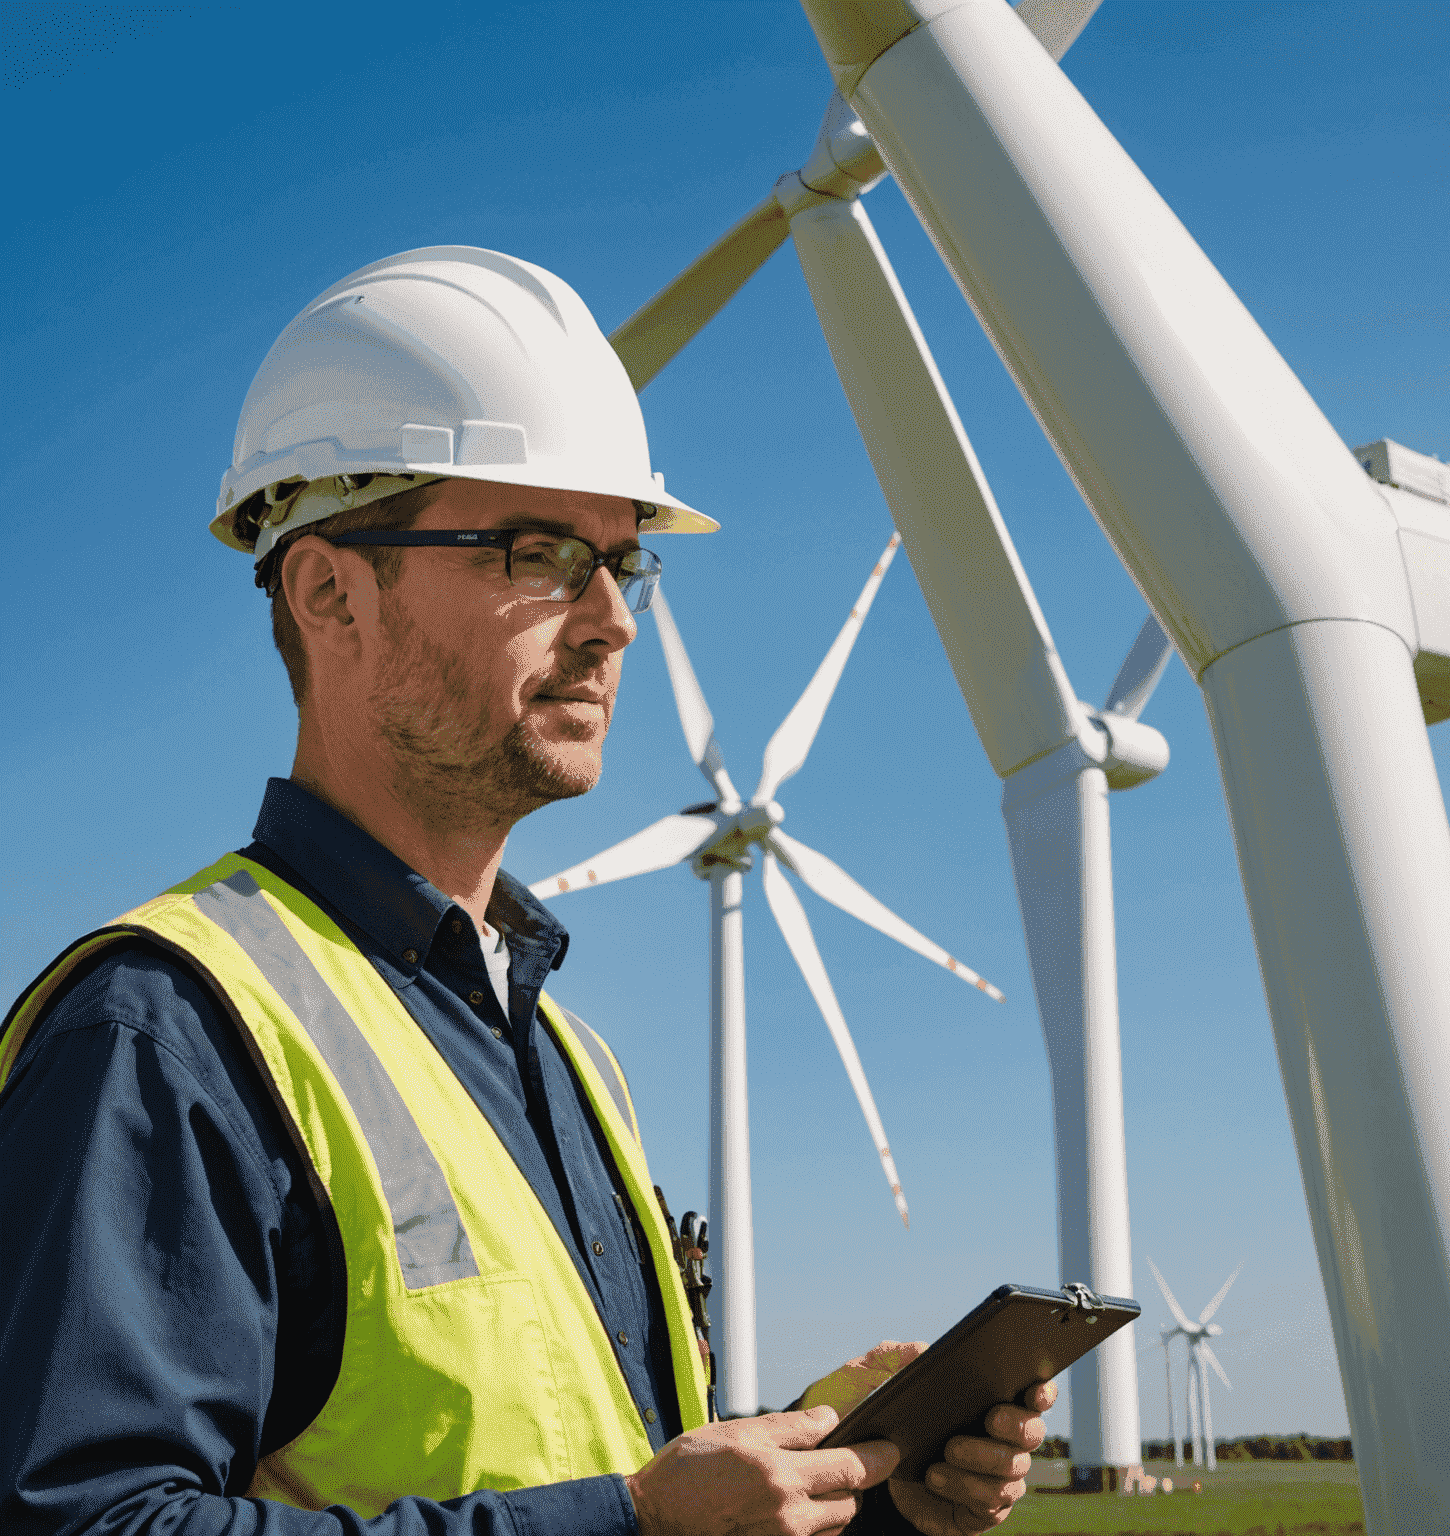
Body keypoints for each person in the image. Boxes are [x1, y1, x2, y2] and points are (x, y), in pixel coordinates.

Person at [0, 247, 1055, 1536]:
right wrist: (632, 1528)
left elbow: (578, 1465)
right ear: (330, 587)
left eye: (626, 562)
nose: (614, 619)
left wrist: (847, 1486)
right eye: (540, 551)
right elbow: (86, 1521)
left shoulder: (563, 1050)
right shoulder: (167, 1033)